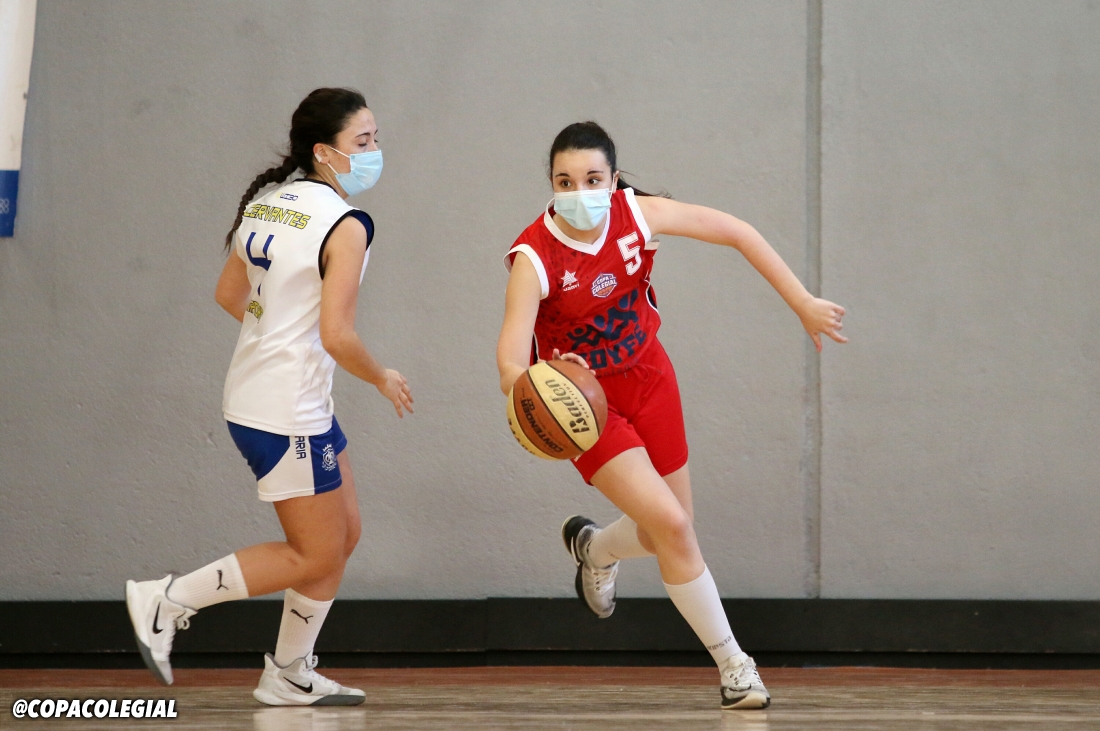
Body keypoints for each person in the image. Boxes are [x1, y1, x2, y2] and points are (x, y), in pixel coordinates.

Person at [496, 121, 846, 710]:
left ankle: (595, 549)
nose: (579, 191)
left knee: (672, 529)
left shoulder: (638, 215)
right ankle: (735, 667)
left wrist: (803, 302)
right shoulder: (535, 256)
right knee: (674, 529)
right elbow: (509, 361)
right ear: (551, 184)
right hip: (586, 406)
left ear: (613, 179)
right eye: (565, 180)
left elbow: (737, 232)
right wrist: (536, 382)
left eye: (592, 179)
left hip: (650, 376)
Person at [125, 88, 413, 706]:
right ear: (324, 151)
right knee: (314, 554)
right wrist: (382, 376)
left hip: (273, 394)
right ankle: (166, 600)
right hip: (285, 409)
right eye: (363, 142)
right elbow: (338, 336)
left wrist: (280, 338)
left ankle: (288, 671)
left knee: (344, 534)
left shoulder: (269, 202)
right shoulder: (346, 224)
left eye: (376, 138)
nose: (374, 151)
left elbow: (230, 295)